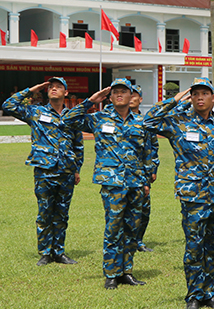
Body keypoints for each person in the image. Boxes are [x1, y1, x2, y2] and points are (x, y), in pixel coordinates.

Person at [144, 77, 214, 309]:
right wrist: (174, 100)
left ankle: (210, 293)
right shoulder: (178, 122)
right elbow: (149, 120)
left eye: (205, 93)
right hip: (193, 196)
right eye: (195, 94)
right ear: (190, 98)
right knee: (195, 247)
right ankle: (194, 295)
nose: (200, 97)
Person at [64, 78, 151, 289]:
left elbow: (147, 151)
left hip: (135, 182)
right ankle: (111, 273)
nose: (120, 94)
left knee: (131, 229)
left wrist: (147, 179)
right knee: (113, 228)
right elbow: (67, 120)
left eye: (124, 91)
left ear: (132, 96)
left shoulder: (141, 122)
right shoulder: (98, 118)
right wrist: (91, 100)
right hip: (112, 183)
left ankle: (126, 271)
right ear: (110, 97)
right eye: (115, 92)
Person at [3, 78, 83, 265]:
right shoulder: (35, 112)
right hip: (44, 171)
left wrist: (77, 169)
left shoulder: (72, 117)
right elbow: (9, 105)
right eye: (51, 87)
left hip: (66, 172)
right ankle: (45, 252)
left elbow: (78, 145)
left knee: (62, 214)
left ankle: (59, 252)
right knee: (45, 213)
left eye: (58, 87)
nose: (54, 89)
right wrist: (31, 89)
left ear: (66, 92)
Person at [130, 84, 160, 252]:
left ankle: (138, 240)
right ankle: (127, 240)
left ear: (140, 99)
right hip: (125, 173)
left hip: (143, 172)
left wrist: (153, 169)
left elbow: (153, 146)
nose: (132, 98)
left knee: (144, 209)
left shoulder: (146, 122)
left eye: (135, 95)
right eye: (129, 94)